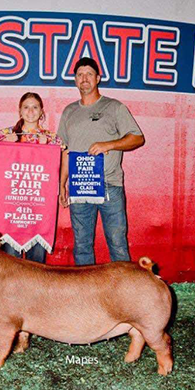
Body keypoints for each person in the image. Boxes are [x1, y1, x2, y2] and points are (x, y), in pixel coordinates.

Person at [58, 57, 145, 265]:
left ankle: (125, 292)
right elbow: (65, 150)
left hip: (109, 184)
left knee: (117, 243)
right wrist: (62, 184)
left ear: (98, 78)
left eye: (89, 74)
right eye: (80, 75)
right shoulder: (69, 111)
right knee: (82, 245)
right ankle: (87, 293)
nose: (84, 78)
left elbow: (137, 138)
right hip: (80, 187)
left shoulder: (114, 107)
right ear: (75, 81)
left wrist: (109, 144)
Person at [0, 92, 63, 263]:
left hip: (38, 207)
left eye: (35, 107)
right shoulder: (5, 134)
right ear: (19, 111)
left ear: (41, 111)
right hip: (12, 207)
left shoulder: (51, 138)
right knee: (11, 262)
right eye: (26, 107)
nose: (30, 111)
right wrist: (8, 144)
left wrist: (46, 147)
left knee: (36, 263)